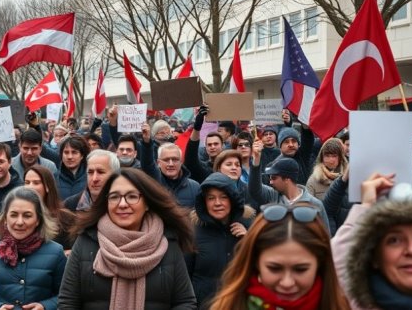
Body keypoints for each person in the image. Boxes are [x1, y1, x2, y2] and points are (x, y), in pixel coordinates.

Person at [59, 168, 197, 309]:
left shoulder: (167, 244)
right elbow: (67, 302)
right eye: (114, 197)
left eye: (132, 196)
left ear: (147, 203)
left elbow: (185, 302)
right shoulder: (86, 241)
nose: (123, 204)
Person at [209, 203, 350, 310]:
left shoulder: (340, 305)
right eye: (274, 268)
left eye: (300, 269)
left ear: (320, 264)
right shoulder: (229, 305)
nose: (287, 283)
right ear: (255, 262)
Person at [332, 173, 412, 309]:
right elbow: (341, 264)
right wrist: (366, 205)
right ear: (374, 257)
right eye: (394, 240)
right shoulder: (356, 303)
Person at [0, 187, 66, 310]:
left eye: (27, 216)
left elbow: (65, 296)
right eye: (13, 215)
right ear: (5, 218)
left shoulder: (56, 252)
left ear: (38, 220)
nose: (19, 222)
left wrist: (45, 306)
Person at [187, 172, 248, 308]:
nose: (217, 203)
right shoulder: (193, 232)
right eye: (211, 198)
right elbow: (185, 277)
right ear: (204, 202)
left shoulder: (248, 226)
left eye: (223, 197)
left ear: (232, 199)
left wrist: (248, 240)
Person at [250, 141, 330, 234]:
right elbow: (254, 189)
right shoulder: (272, 196)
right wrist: (256, 161)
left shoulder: (314, 205)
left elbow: (325, 237)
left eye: (274, 178)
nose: (270, 182)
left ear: (287, 179)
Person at [140, 122, 200, 208]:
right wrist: (146, 141)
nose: (171, 164)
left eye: (175, 159)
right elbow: (147, 164)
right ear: (158, 163)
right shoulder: (154, 183)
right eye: (166, 160)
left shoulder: (194, 187)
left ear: (181, 162)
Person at [24, 165, 76, 251]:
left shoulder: (65, 219)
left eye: (36, 183)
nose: (30, 187)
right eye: (27, 182)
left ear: (47, 187)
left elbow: (76, 252)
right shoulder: (17, 217)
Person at [54, 135, 90, 199]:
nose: (70, 157)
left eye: (74, 152)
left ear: (82, 155)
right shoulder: (54, 178)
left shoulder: (90, 177)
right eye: (66, 152)